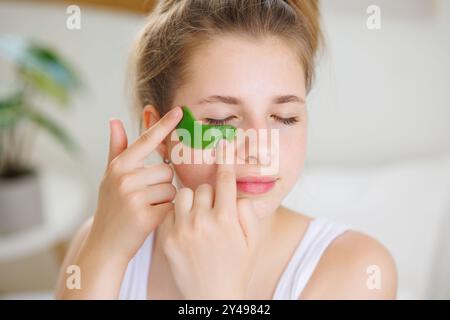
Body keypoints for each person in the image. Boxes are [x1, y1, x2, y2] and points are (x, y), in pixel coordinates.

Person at [55, 0, 397, 300]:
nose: (260, 150)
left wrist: (218, 293)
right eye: (220, 121)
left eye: (284, 117)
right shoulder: (99, 240)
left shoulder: (356, 270)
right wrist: (104, 252)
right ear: (160, 134)